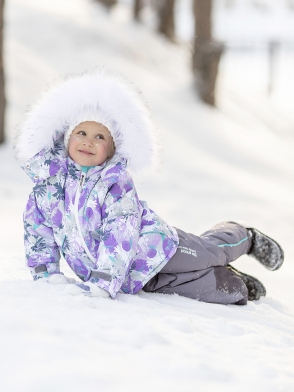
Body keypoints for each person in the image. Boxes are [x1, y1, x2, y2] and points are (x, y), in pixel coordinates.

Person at [15, 71, 284, 305]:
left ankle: (245, 237)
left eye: (100, 137)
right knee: (217, 291)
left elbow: (120, 230)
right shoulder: (47, 187)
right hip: (132, 277)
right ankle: (238, 283)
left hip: (159, 248)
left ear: (112, 149)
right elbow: (37, 232)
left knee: (208, 253)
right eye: (81, 133)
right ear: (66, 138)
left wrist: (105, 278)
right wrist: (45, 273)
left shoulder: (114, 184)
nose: (88, 142)